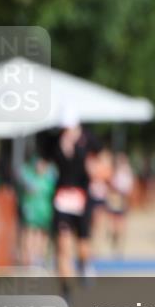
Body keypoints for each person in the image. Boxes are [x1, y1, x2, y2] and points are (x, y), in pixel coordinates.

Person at [50, 107, 98, 281]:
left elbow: (100, 164)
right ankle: (65, 286)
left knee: (83, 242)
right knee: (63, 242)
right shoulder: (55, 142)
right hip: (62, 198)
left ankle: (84, 264)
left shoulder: (88, 140)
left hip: (82, 198)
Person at [17, 155, 57, 267]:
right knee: (30, 233)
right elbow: (21, 174)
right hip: (32, 212)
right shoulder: (30, 177)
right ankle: (28, 258)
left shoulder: (49, 180)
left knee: (43, 235)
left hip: (45, 213)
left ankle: (40, 257)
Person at [105, 152, 135, 255]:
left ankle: (119, 246)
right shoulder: (114, 172)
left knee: (121, 223)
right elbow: (109, 185)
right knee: (114, 222)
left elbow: (129, 188)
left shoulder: (128, 173)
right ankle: (114, 238)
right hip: (115, 198)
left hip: (123, 199)